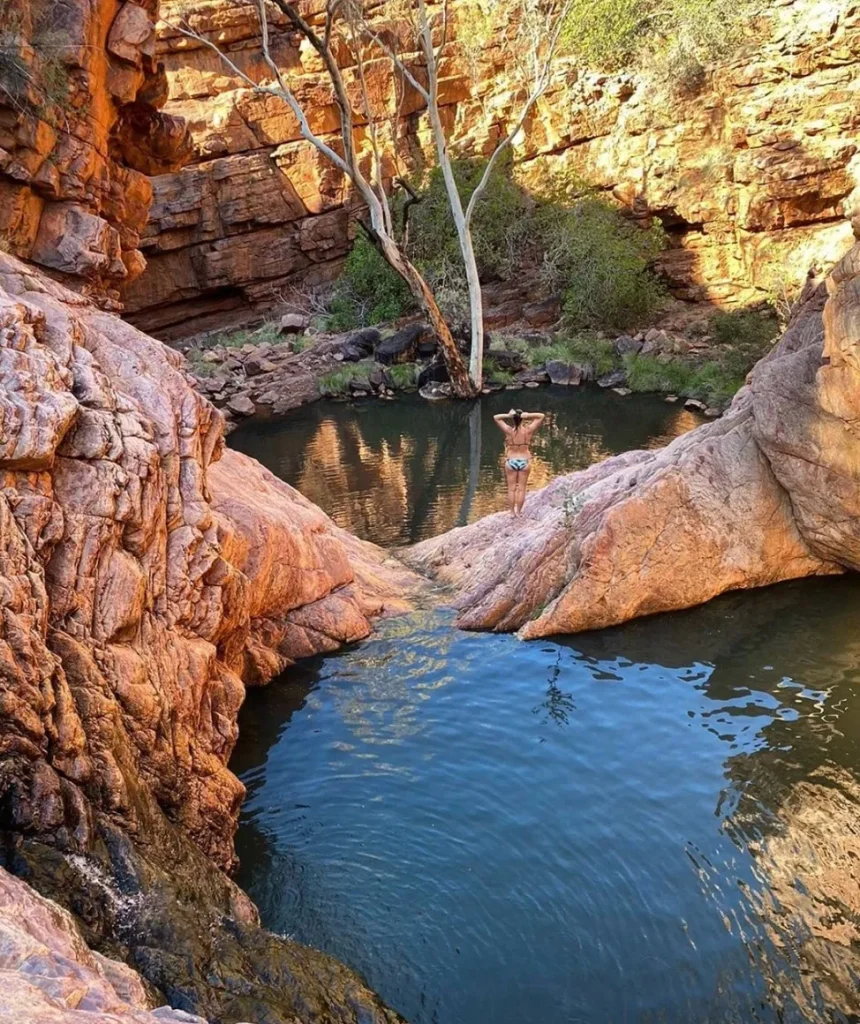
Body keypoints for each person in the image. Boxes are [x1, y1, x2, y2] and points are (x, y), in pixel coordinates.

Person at [493, 408, 545, 518]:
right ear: (522, 419)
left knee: (511, 488)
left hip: (511, 461)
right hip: (524, 461)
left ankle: (512, 513)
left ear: (514, 419)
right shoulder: (528, 430)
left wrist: (508, 415)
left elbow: (496, 417)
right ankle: (519, 512)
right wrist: (528, 414)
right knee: (521, 488)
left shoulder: (509, 431)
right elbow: (541, 416)